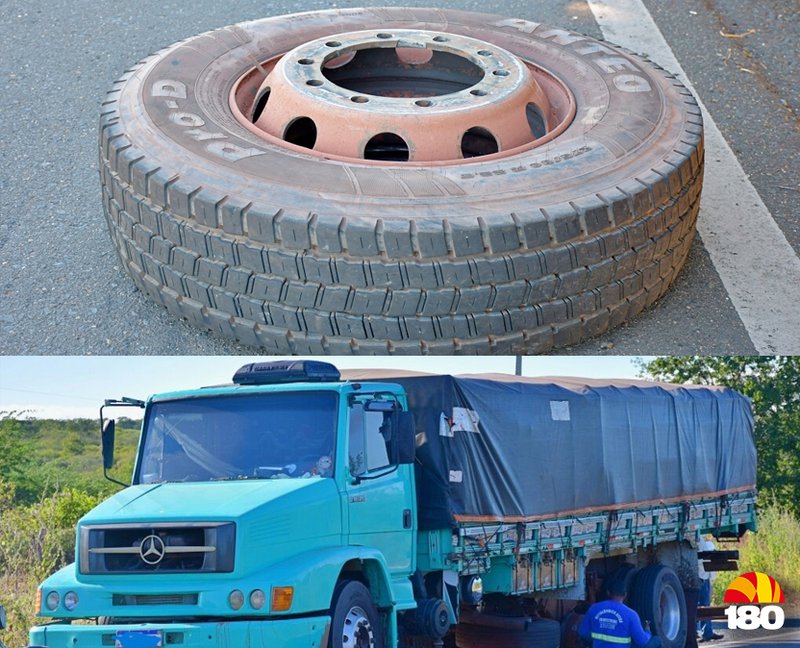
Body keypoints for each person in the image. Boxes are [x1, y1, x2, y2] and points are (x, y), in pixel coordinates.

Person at [579, 578, 661, 648]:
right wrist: (647, 631)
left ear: (608, 592)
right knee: (657, 640)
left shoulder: (593, 608)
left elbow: (583, 632)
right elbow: (642, 642)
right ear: (625, 595)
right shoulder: (631, 615)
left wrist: (599, 636)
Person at [697, 537, 724, 642]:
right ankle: (706, 632)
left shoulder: (702, 543)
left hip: (701, 578)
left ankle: (700, 632)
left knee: (697, 606)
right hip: (702, 579)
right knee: (704, 606)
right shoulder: (704, 545)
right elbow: (711, 574)